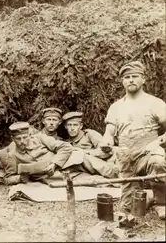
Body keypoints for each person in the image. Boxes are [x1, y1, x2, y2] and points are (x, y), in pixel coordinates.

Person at [100, 61, 166, 220]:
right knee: (127, 211)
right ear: (122, 81)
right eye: (127, 77)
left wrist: (160, 141)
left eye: (135, 76)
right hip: (126, 154)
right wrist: (106, 140)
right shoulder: (116, 106)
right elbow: (109, 131)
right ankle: (136, 203)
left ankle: (161, 203)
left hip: (149, 152)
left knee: (158, 162)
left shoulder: (155, 103)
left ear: (143, 79)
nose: (131, 80)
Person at [3, 121, 74, 185]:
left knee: (79, 155)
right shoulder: (12, 155)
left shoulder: (40, 138)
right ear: (12, 139)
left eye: (25, 137)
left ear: (29, 135)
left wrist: (54, 164)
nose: (22, 141)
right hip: (48, 178)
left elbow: (66, 147)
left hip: (64, 165)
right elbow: (7, 179)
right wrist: (19, 178)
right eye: (18, 138)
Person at [62, 111, 118, 178]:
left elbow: (107, 151)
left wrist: (84, 152)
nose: (72, 128)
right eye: (69, 125)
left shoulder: (89, 134)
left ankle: (114, 173)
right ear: (65, 127)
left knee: (80, 155)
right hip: (87, 170)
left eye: (75, 125)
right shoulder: (66, 142)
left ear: (81, 126)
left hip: (104, 164)